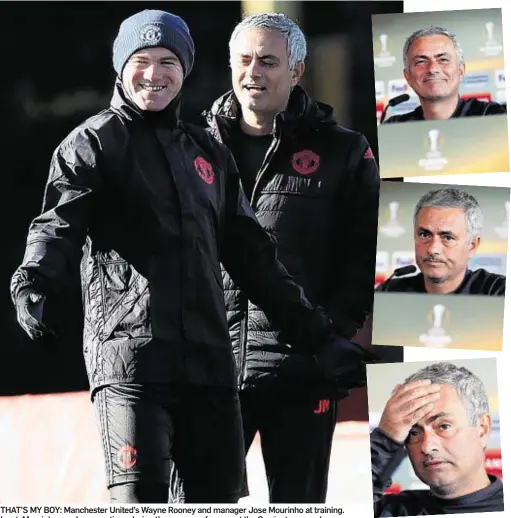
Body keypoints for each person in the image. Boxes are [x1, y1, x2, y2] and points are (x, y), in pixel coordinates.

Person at [10, 9, 372, 504]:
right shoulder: (94, 143)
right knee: (143, 503)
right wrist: (32, 279)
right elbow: (58, 224)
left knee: (216, 507)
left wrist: (320, 337)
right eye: (142, 60)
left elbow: (255, 260)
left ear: (185, 70)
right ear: (120, 67)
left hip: (210, 373)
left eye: (168, 62)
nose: (154, 74)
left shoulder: (207, 151)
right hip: (132, 363)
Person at [201, 12, 400, 503]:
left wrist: (332, 334)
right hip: (208, 371)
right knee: (199, 503)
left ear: (297, 70)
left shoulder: (344, 152)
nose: (253, 73)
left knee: (298, 505)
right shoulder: (191, 148)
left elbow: (366, 256)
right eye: (244, 60)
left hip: (301, 369)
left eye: (268, 61)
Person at [371, 362, 504, 516]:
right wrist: (386, 440)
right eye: (414, 432)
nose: (427, 447)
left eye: (444, 426)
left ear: (483, 429)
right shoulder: (386, 511)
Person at [377, 187, 506, 295]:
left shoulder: (498, 291)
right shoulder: (389, 291)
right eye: (424, 235)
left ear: (472, 246)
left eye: (448, 238)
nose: (433, 249)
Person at [383, 26, 506, 123]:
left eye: (443, 59)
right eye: (421, 61)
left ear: (461, 69)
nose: (432, 69)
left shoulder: (491, 115)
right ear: (407, 76)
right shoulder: (393, 126)